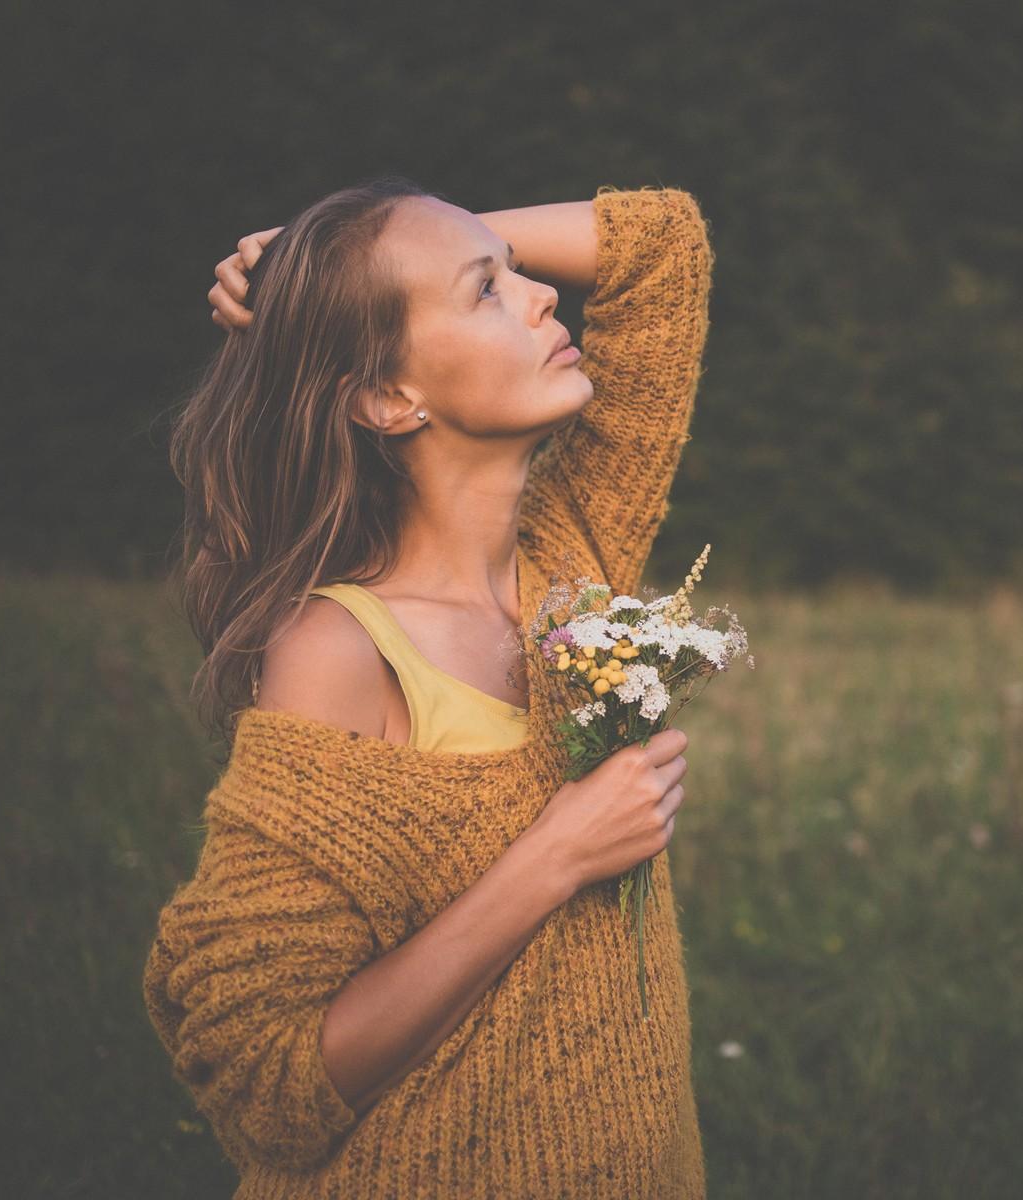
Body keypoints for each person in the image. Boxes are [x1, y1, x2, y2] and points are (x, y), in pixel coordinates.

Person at [142, 179, 715, 1198]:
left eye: (518, 275)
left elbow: (661, 250)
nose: (544, 297)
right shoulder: (335, 650)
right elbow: (266, 1074)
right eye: (486, 291)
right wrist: (556, 854)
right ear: (387, 398)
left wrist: (333, 263)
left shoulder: (574, 552)